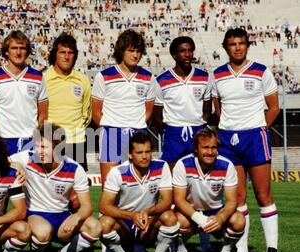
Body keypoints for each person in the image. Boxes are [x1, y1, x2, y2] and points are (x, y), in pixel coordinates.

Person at [212, 28, 280, 252]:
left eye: (242, 43)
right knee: (238, 197)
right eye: (233, 44)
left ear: (247, 45)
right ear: (226, 47)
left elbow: (273, 108)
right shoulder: (217, 74)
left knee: (263, 195)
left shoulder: (261, 71)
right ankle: (241, 251)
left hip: (255, 137)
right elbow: (218, 108)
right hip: (229, 141)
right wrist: (231, 129)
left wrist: (257, 128)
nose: (238, 47)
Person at [9, 123, 102, 252]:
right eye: (37, 146)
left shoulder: (74, 168)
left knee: (95, 227)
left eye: (44, 147)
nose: (39, 151)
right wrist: (15, 165)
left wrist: (76, 217)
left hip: (62, 217)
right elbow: (2, 160)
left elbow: (87, 207)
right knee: (43, 232)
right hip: (35, 214)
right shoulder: (27, 157)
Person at [98, 131, 178, 252]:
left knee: (170, 218)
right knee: (103, 224)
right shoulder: (118, 172)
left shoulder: (161, 166)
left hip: (148, 219)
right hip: (124, 222)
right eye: (139, 152)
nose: (145, 156)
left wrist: (148, 212)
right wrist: (131, 216)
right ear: (130, 154)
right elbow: (104, 206)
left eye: (148, 151)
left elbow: (167, 201)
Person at [172, 128, 245, 252]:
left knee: (239, 220)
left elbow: (231, 201)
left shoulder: (227, 165)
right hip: (190, 211)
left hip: (215, 210)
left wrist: (220, 218)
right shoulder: (182, 164)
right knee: (179, 221)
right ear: (196, 149)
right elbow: (179, 200)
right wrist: (201, 220)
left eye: (213, 147)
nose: (210, 152)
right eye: (205, 147)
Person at [92, 29, 157, 188]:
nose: (135, 55)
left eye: (138, 51)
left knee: (138, 185)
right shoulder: (104, 76)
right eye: (131, 50)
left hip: (138, 132)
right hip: (112, 133)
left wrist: (137, 126)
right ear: (122, 51)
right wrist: (110, 129)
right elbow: (95, 111)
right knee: (110, 187)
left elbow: (148, 111)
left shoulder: (149, 78)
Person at [153, 36, 212, 170]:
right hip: (173, 134)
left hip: (197, 132)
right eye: (182, 51)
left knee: (197, 177)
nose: (187, 54)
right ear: (174, 55)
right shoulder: (161, 80)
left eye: (190, 50)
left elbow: (207, 111)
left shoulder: (204, 77)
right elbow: (157, 116)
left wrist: (199, 126)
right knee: (172, 178)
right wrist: (169, 132)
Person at [0, 30, 48, 155]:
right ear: (6, 51)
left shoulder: (38, 77)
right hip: (3, 141)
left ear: (27, 51)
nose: (18, 52)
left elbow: (43, 114)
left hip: (30, 140)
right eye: (14, 48)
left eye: (22, 48)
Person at [44, 33, 92, 171]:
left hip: (76, 141)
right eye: (62, 52)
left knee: (78, 188)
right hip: (50, 141)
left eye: (70, 53)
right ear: (55, 54)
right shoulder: (43, 79)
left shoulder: (82, 80)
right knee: (49, 186)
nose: (66, 56)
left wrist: (75, 130)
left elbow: (86, 114)